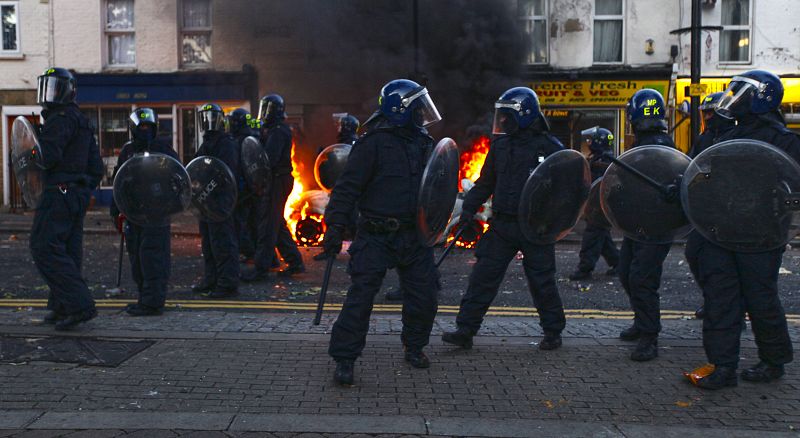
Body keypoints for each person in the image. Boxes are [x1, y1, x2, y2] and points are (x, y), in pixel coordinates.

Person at [321, 79, 443, 385]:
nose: (422, 115)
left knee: (424, 296)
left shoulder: (424, 143)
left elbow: (435, 187)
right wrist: (334, 226)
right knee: (361, 297)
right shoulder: (372, 143)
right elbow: (347, 189)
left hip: (413, 235)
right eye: (417, 108)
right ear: (400, 110)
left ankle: (414, 346)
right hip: (376, 234)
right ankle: (344, 358)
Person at [690, 70, 797, 389]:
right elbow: (703, 175)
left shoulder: (786, 141)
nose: (733, 100)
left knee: (760, 299)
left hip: (761, 235)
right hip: (722, 231)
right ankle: (723, 367)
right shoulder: (726, 136)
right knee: (721, 299)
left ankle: (773, 360)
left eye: (740, 94)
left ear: (760, 98)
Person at [441, 87, 566, 352]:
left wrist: (555, 222)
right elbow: (486, 182)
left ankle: (553, 332)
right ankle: (465, 330)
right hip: (504, 224)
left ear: (523, 115)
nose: (504, 121)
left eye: (508, 115)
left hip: (536, 227)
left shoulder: (550, 147)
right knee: (483, 277)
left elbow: (565, 190)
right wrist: (468, 209)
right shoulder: (501, 145)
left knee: (542, 281)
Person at [30, 67, 103, 330]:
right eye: (47, 87)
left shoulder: (60, 119)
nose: (50, 94)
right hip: (74, 193)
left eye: (56, 88)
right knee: (68, 250)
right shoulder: (81, 120)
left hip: (58, 190)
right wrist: (81, 191)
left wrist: (31, 150)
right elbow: (97, 168)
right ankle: (62, 305)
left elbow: (46, 158)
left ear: (69, 90)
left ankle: (79, 305)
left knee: (44, 246)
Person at [616, 89, 676, 362]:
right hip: (639, 224)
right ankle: (642, 322)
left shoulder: (658, 146)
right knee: (628, 272)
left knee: (642, 279)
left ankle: (649, 337)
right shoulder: (646, 143)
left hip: (655, 226)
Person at [110, 108, 177, 316]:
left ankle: (153, 302)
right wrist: (116, 211)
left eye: (149, 127)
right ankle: (143, 297)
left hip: (156, 213)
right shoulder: (128, 151)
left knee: (153, 258)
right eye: (142, 127)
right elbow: (118, 180)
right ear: (133, 129)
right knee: (137, 257)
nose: (146, 131)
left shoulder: (164, 150)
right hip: (133, 212)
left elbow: (176, 177)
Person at [241, 94, 305, 282]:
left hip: (277, 179)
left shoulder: (278, 131)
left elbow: (269, 159)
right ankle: (295, 262)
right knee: (277, 223)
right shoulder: (275, 129)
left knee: (268, 224)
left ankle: (261, 269)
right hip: (277, 179)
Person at [684, 92, 736, 319]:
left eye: (710, 112)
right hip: (706, 210)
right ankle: (712, 299)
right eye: (704, 113)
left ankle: (731, 308)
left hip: (731, 211)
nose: (707, 117)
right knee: (693, 252)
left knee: (728, 265)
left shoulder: (737, 136)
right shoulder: (704, 138)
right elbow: (690, 165)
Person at [191, 103, 241, 298]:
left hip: (220, 200)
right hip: (206, 201)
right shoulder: (207, 143)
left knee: (223, 242)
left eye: (213, 117)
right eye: (206, 117)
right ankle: (211, 278)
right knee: (209, 243)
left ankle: (227, 283)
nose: (209, 122)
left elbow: (224, 172)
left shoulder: (226, 143)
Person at [569, 127, 620, 281]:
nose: (588, 142)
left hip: (600, 208)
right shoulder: (602, 159)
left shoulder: (603, 161)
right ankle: (618, 263)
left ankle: (585, 268)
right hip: (599, 207)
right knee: (602, 237)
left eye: (591, 139)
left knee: (592, 236)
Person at [227, 108, 259, 261]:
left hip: (243, 187)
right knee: (252, 220)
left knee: (241, 221)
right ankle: (256, 251)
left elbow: (239, 165)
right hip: (253, 186)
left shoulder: (240, 141)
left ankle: (248, 251)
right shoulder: (253, 138)